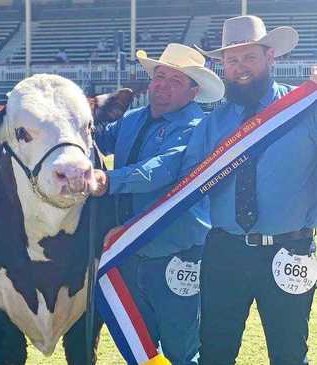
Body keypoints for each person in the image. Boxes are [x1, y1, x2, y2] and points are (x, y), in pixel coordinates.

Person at [185, 15, 316, 364]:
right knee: (215, 352)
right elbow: (181, 183)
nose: (240, 67)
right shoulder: (213, 124)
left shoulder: (307, 109)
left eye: (249, 57)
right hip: (225, 252)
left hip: (290, 249)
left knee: (289, 353)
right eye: (232, 60)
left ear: (270, 57)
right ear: (223, 66)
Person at [93, 44, 224, 364]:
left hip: (176, 251)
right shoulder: (133, 118)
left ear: (193, 92)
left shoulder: (197, 127)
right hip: (128, 250)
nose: (162, 85)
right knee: (141, 346)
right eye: (159, 76)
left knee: (181, 346)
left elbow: (161, 171)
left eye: (175, 81)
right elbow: (96, 138)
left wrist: (107, 180)